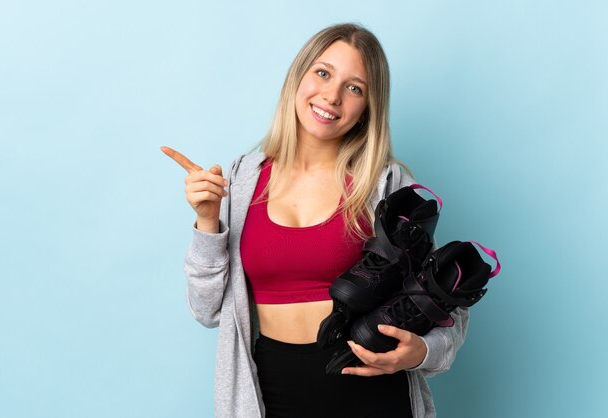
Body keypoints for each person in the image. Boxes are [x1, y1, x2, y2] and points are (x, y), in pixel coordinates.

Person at [162, 23, 468, 418]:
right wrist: (207, 222)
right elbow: (208, 311)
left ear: (367, 108)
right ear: (298, 77)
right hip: (273, 392)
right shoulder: (241, 180)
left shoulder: (386, 186)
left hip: (373, 396)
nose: (332, 96)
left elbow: (450, 298)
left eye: (354, 87)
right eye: (323, 73)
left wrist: (422, 352)